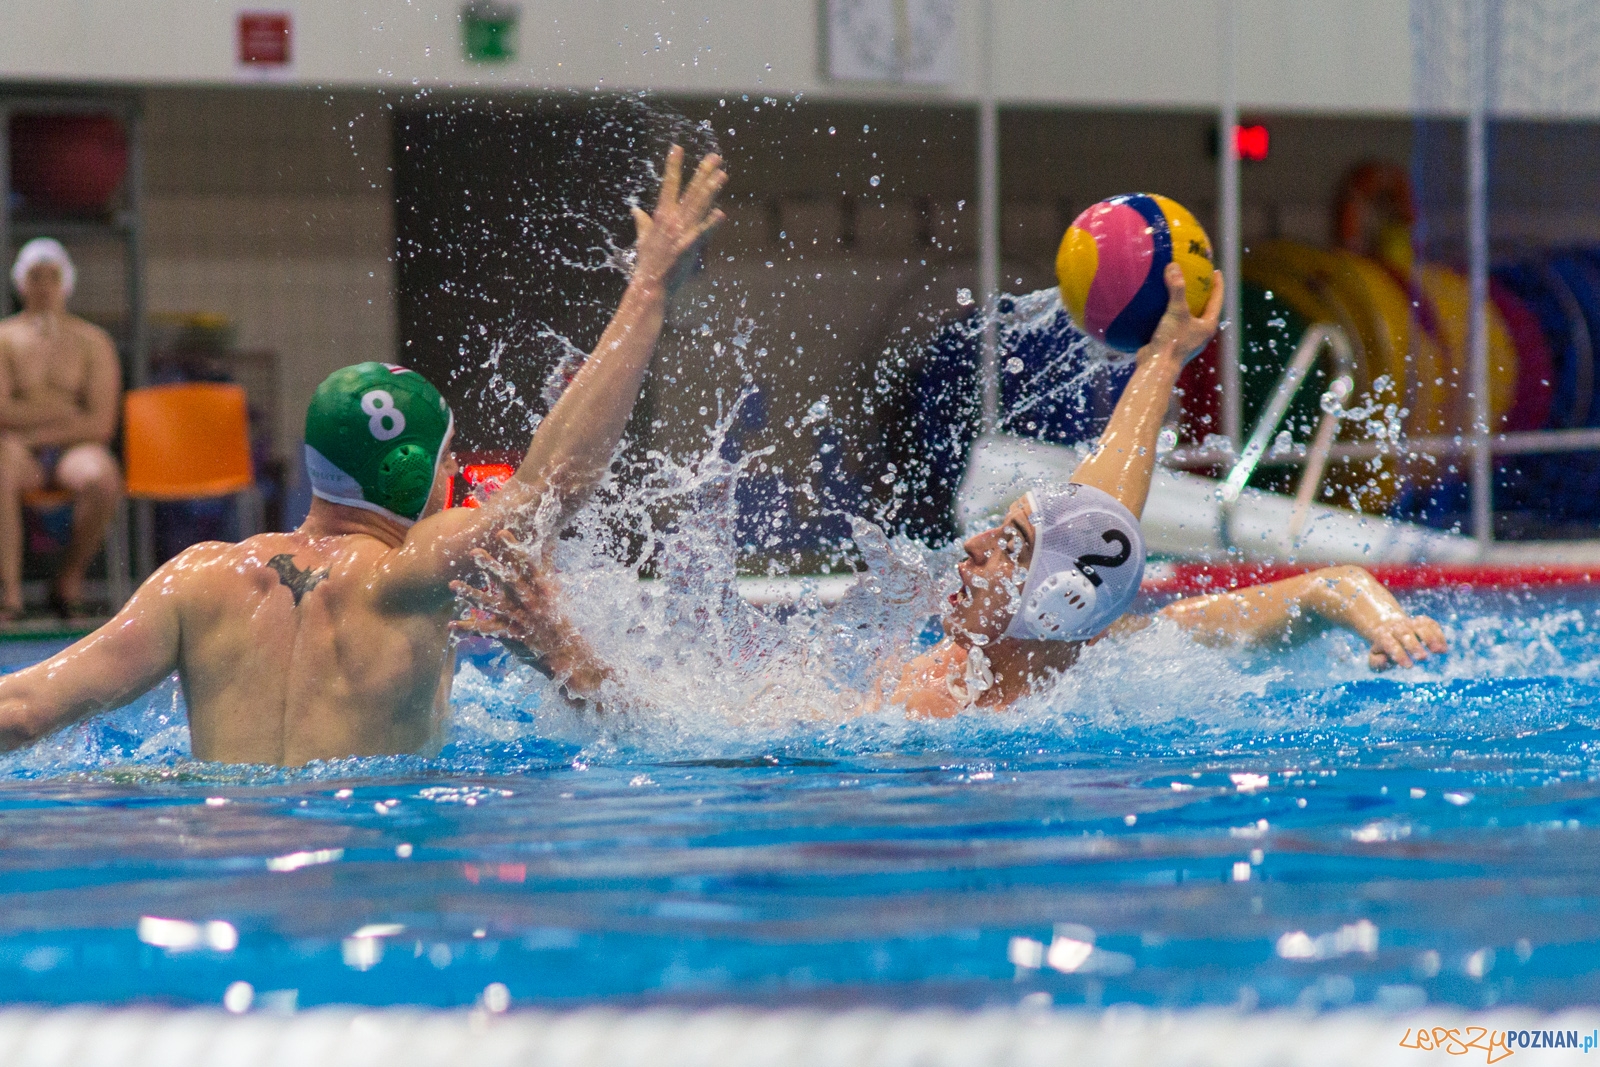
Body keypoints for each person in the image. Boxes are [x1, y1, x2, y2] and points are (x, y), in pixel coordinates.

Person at [0, 146, 727, 764]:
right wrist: (648, 291)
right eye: (444, 464)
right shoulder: (411, 570)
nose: (450, 483)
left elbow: (26, 707)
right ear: (409, 472)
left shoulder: (195, 581)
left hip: (231, 860)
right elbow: (554, 482)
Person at [456, 263, 1448, 716]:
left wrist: (557, 646)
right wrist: (1165, 353)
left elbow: (665, 736)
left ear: (1044, 604)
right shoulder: (1108, 661)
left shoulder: (939, 709)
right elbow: (1313, 583)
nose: (971, 546)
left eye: (1006, 548)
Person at [0, 238, 124, 618]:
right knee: (2, 464)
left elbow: (101, 424)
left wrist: (33, 420)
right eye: (34, 276)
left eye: (51, 276)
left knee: (102, 478)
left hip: (70, 448)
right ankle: (10, 593)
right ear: (20, 283)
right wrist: (65, 411)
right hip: (19, 452)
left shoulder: (93, 342)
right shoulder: (4, 338)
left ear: (65, 283)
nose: (43, 286)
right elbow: (1, 412)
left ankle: (68, 580)